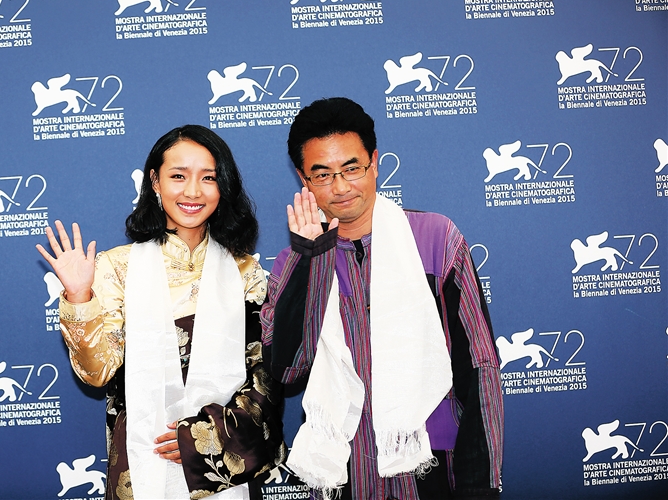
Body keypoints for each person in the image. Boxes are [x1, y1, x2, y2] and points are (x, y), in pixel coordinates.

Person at [260, 98, 503, 500]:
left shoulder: (436, 239)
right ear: (304, 179)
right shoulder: (293, 262)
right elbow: (288, 371)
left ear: (374, 162)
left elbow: (479, 365)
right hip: (343, 471)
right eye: (322, 175)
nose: (340, 187)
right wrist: (312, 259)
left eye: (351, 168)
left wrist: (479, 483)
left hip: (431, 464)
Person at [37, 125, 286, 500]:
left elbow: (265, 376)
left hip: (222, 459)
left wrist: (208, 437)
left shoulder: (245, 270)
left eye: (208, 178)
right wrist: (79, 296)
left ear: (223, 186)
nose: (193, 191)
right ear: (155, 181)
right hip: (143, 455)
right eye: (178, 176)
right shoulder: (116, 268)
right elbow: (96, 373)